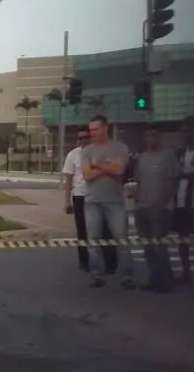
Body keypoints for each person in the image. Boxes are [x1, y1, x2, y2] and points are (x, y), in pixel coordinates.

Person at [81, 115, 134, 289]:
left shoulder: (120, 148)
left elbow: (119, 170)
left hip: (114, 201)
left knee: (122, 239)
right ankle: (97, 275)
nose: (92, 133)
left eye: (95, 129)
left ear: (105, 129)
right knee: (93, 240)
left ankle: (127, 276)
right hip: (92, 202)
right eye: (90, 130)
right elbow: (86, 175)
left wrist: (97, 165)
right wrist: (107, 167)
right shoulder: (87, 150)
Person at [131, 125, 180, 292]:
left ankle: (165, 282)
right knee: (148, 246)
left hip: (160, 209)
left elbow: (172, 182)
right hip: (142, 208)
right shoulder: (142, 158)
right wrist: (136, 202)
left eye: (154, 135)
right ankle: (154, 279)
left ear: (159, 137)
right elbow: (138, 181)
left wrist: (162, 203)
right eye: (148, 135)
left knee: (159, 245)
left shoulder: (168, 155)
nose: (151, 138)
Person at [63, 127, 117, 272]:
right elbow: (68, 179)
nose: (83, 140)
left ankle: (110, 262)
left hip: (99, 195)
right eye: (80, 138)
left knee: (104, 229)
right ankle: (85, 262)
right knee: (82, 231)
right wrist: (67, 201)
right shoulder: (73, 155)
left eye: (86, 137)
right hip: (80, 196)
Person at [176, 117, 194, 284]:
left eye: (189, 130)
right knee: (183, 239)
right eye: (184, 131)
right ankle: (186, 272)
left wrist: (185, 175)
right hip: (181, 202)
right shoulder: (180, 152)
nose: (186, 134)